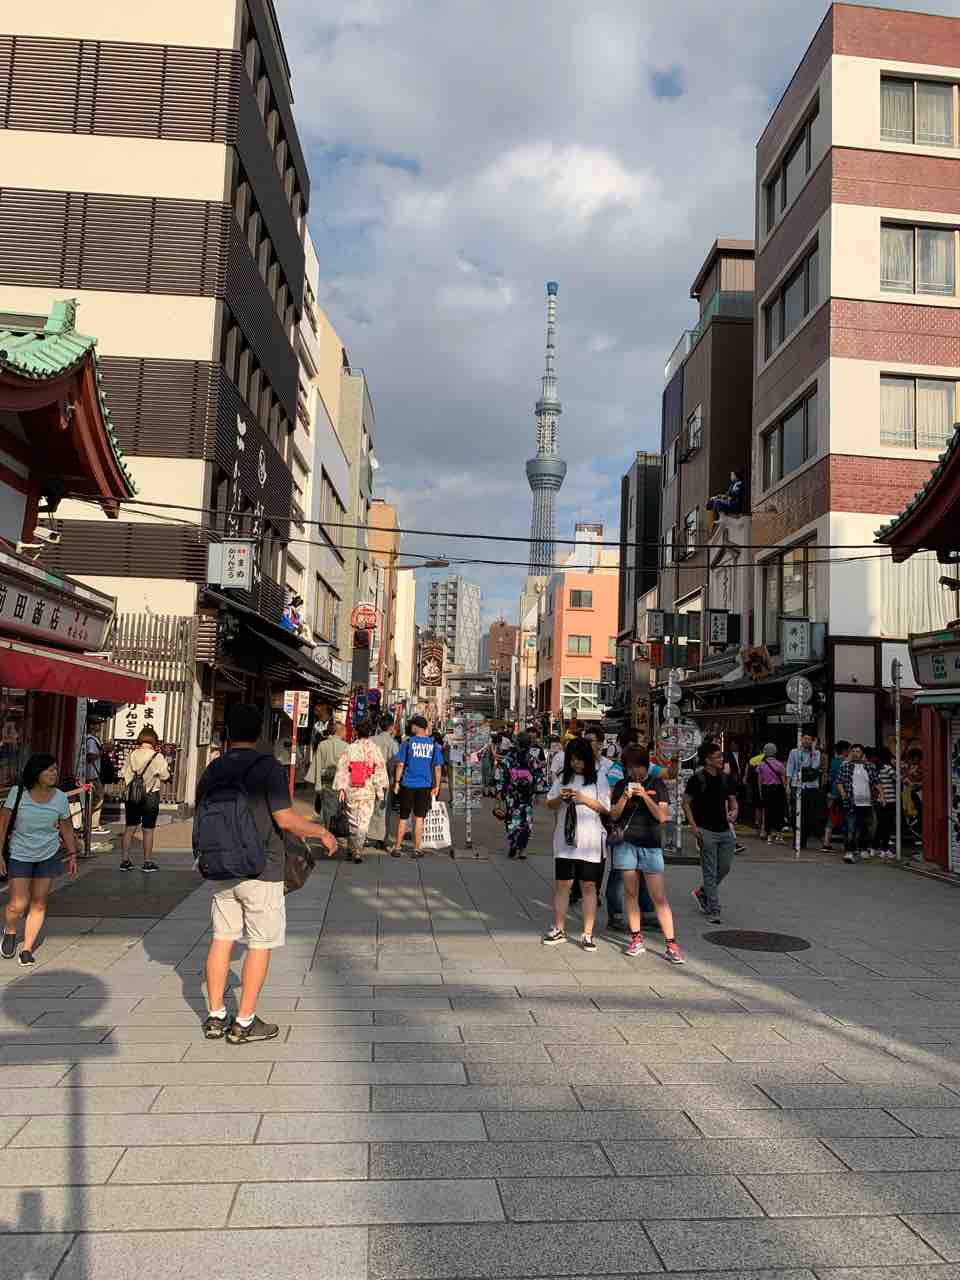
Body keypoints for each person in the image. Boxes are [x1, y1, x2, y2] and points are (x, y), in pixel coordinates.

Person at [199, 703, 337, 1043]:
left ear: (226, 733)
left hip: (221, 865)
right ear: (260, 733)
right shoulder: (267, 767)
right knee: (260, 943)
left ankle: (216, 1017)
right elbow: (285, 820)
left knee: (222, 938)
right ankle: (244, 1022)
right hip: (263, 867)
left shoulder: (213, 769)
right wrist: (321, 832)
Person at [0, 754, 78, 965]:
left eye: (55, 769)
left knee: (39, 902)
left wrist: (72, 854)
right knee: (18, 904)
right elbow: (3, 824)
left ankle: (27, 949)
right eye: (49, 770)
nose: (54, 773)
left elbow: (66, 827)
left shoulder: (60, 797)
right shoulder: (18, 793)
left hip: (48, 855)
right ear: (36, 772)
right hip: (20, 854)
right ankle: (10, 930)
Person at [608, 747, 684, 964]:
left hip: (651, 845)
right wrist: (625, 797)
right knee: (630, 893)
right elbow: (613, 814)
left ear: (646, 766)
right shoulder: (621, 785)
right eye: (631, 768)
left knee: (658, 896)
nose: (635, 773)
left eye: (639, 767)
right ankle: (636, 939)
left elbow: (662, 816)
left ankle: (671, 944)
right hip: (626, 844)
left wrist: (644, 796)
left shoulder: (656, 784)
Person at [543, 738, 610, 951]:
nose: (576, 764)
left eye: (580, 760)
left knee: (589, 886)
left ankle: (587, 933)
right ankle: (559, 928)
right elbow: (549, 803)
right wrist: (561, 799)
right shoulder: (563, 777)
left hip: (590, 842)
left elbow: (606, 808)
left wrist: (582, 798)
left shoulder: (598, 778)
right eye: (572, 760)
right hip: (565, 841)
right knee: (563, 885)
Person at [684, 742, 738, 924]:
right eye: (717, 757)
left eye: (721, 756)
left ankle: (703, 892)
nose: (721, 759)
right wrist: (693, 826)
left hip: (725, 830)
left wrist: (735, 810)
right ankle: (713, 909)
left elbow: (732, 799)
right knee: (709, 871)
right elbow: (686, 803)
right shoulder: (697, 779)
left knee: (724, 867)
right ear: (707, 760)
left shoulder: (725, 778)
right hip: (705, 831)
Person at [334, 718, 389, 864]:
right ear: (370, 733)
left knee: (352, 820)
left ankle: (351, 848)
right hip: (368, 789)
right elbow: (380, 770)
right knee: (364, 822)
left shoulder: (350, 748)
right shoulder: (374, 749)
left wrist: (341, 788)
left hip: (352, 788)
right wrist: (380, 791)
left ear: (356, 732)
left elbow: (342, 769)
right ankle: (357, 851)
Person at [390, 714, 443, 859]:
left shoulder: (407, 743)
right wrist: (437, 786)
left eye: (413, 724)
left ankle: (397, 847)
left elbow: (400, 764)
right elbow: (438, 767)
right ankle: (417, 849)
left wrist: (397, 782)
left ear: (417, 727)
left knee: (403, 817)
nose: (411, 727)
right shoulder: (433, 745)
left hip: (407, 784)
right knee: (419, 818)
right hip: (424, 785)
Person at [119, 726, 170, 872]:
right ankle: (147, 862)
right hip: (150, 796)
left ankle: (125, 861)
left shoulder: (132, 755)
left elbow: (123, 773)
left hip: (132, 796)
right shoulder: (157, 756)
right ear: (154, 740)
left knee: (129, 828)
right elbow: (165, 776)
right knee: (148, 830)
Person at [496, 731, 546, 859]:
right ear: (529, 744)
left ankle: (513, 844)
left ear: (516, 743)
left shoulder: (509, 758)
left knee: (512, 820)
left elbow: (501, 774)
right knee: (526, 822)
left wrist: (499, 791)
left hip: (512, 795)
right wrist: (538, 794)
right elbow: (539, 776)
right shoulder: (531, 759)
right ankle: (522, 849)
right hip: (526, 795)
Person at [838, 743, 880, 865]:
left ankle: (863, 848)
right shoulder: (846, 766)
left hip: (867, 802)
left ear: (862, 754)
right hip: (852, 801)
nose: (855, 753)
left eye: (858, 751)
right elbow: (839, 781)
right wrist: (843, 794)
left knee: (866, 827)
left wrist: (882, 795)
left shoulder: (870, 766)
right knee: (851, 827)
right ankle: (849, 851)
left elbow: (876, 782)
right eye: (853, 751)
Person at [307, 721, 348, 835]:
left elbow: (317, 765)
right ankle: (335, 833)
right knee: (339, 809)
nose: (346, 733)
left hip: (326, 781)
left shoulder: (322, 745)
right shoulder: (346, 746)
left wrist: (317, 785)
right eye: (345, 731)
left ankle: (329, 832)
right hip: (341, 782)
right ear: (340, 732)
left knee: (327, 810)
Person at [786, 732, 823, 849]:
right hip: (797, 786)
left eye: (809, 739)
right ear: (801, 739)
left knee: (809, 815)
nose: (807, 741)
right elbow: (790, 768)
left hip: (811, 787)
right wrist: (787, 785)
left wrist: (813, 751)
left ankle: (803, 840)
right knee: (795, 814)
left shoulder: (816, 753)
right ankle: (796, 839)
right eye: (805, 739)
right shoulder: (794, 752)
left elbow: (815, 766)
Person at [756, 743, 788, 844]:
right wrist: (786, 791)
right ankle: (779, 835)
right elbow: (784, 780)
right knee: (779, 812)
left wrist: (761, 792)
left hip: (766, 790)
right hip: (778, 790)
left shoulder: (761, 765)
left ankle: (769, 835)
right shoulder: (780, 764)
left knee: (768, 812)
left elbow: (759, 781)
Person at [822, 740, 850, 851]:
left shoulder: (833, 762)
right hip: (844, 794)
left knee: (832, 818)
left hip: (833, 794)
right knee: (847, 819)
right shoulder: (846, 763)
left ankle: (826, 843)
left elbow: (830, 778)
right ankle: (847, 844)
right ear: (844, 750)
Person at [85, 716, 110, 835]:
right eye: (97, 724)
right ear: (91, 725)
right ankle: (90, 824)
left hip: (93, 774)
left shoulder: (93, 739)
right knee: (97, 799)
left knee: (96, 798)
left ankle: (91, 823)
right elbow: (90, 756)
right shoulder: (91, 740)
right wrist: (103, 751)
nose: (99, 726)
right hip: (92, 775)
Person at [874, 746, 897, 858]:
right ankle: (884, 849)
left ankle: (874, 848)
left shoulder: (877, 768)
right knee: (888, 825)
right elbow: (898, 779)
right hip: (889, 800)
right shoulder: (888, 768)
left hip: (880, 799)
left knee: (880, 825)